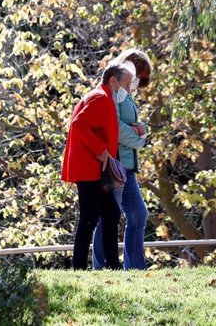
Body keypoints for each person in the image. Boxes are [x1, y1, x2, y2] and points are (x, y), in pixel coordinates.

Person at [62, 63, 134, 270]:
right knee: (90, 216)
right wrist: (101, 150)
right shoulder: (101, 98)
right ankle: (79, 268)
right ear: (113, 81)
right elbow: (78, 124)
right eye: (126, 85)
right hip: (90, 167)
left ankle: (113, 265)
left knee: (111, 213)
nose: (128, 91)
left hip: (97, 167)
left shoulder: (103, 97)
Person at [93, 49, 152, 270]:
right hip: (114, 163)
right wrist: (139, 141)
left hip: (126, 164)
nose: (137, 84)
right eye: (138, 78)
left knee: (137, 215)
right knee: (109, 217)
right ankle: (100, 268)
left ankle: (135, 267)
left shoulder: (125, 93)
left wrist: (142, 129)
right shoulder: (113, 91)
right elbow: (114, 127)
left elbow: (132, 123)